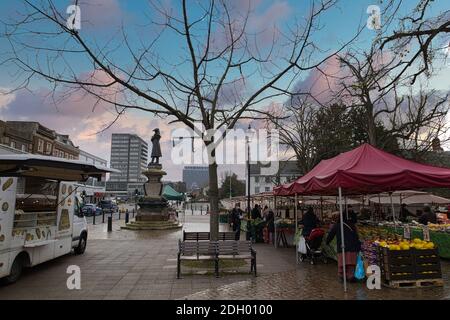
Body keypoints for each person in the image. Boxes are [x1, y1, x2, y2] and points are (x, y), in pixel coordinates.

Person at [326, 214, 361, 283]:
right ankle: (350, 276)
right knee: (350, 262)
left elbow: (331, 235)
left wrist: (327, 242)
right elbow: (357, 235)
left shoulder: (337, 225)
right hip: (352, 247)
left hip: (342, 247)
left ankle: (342, 276)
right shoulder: (352, 225)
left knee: (342, 262)